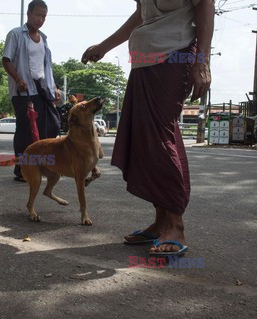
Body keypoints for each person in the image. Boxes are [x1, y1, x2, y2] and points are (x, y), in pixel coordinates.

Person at [81, 0, 214, 256]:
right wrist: (104, 47)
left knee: (161, 135)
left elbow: (205, 5)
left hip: (174, 58)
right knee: (146, 140)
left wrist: (202, 62)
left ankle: (175, 224)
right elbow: (142, 14)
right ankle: (160, 221)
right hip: (143, 62)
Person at [2, 0, 61, 182]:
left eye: (44, 16)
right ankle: (22, 170)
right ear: (28, 13)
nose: (40, 19)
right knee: (26, 130)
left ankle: (39, 165)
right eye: (37, 15)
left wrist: (54, 87)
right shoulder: (16, 34)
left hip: (41, 87)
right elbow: (6, 60)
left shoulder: (43, 38)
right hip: (23, 89)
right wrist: (18, 79)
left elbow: (45, 67)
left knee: (51, 125)